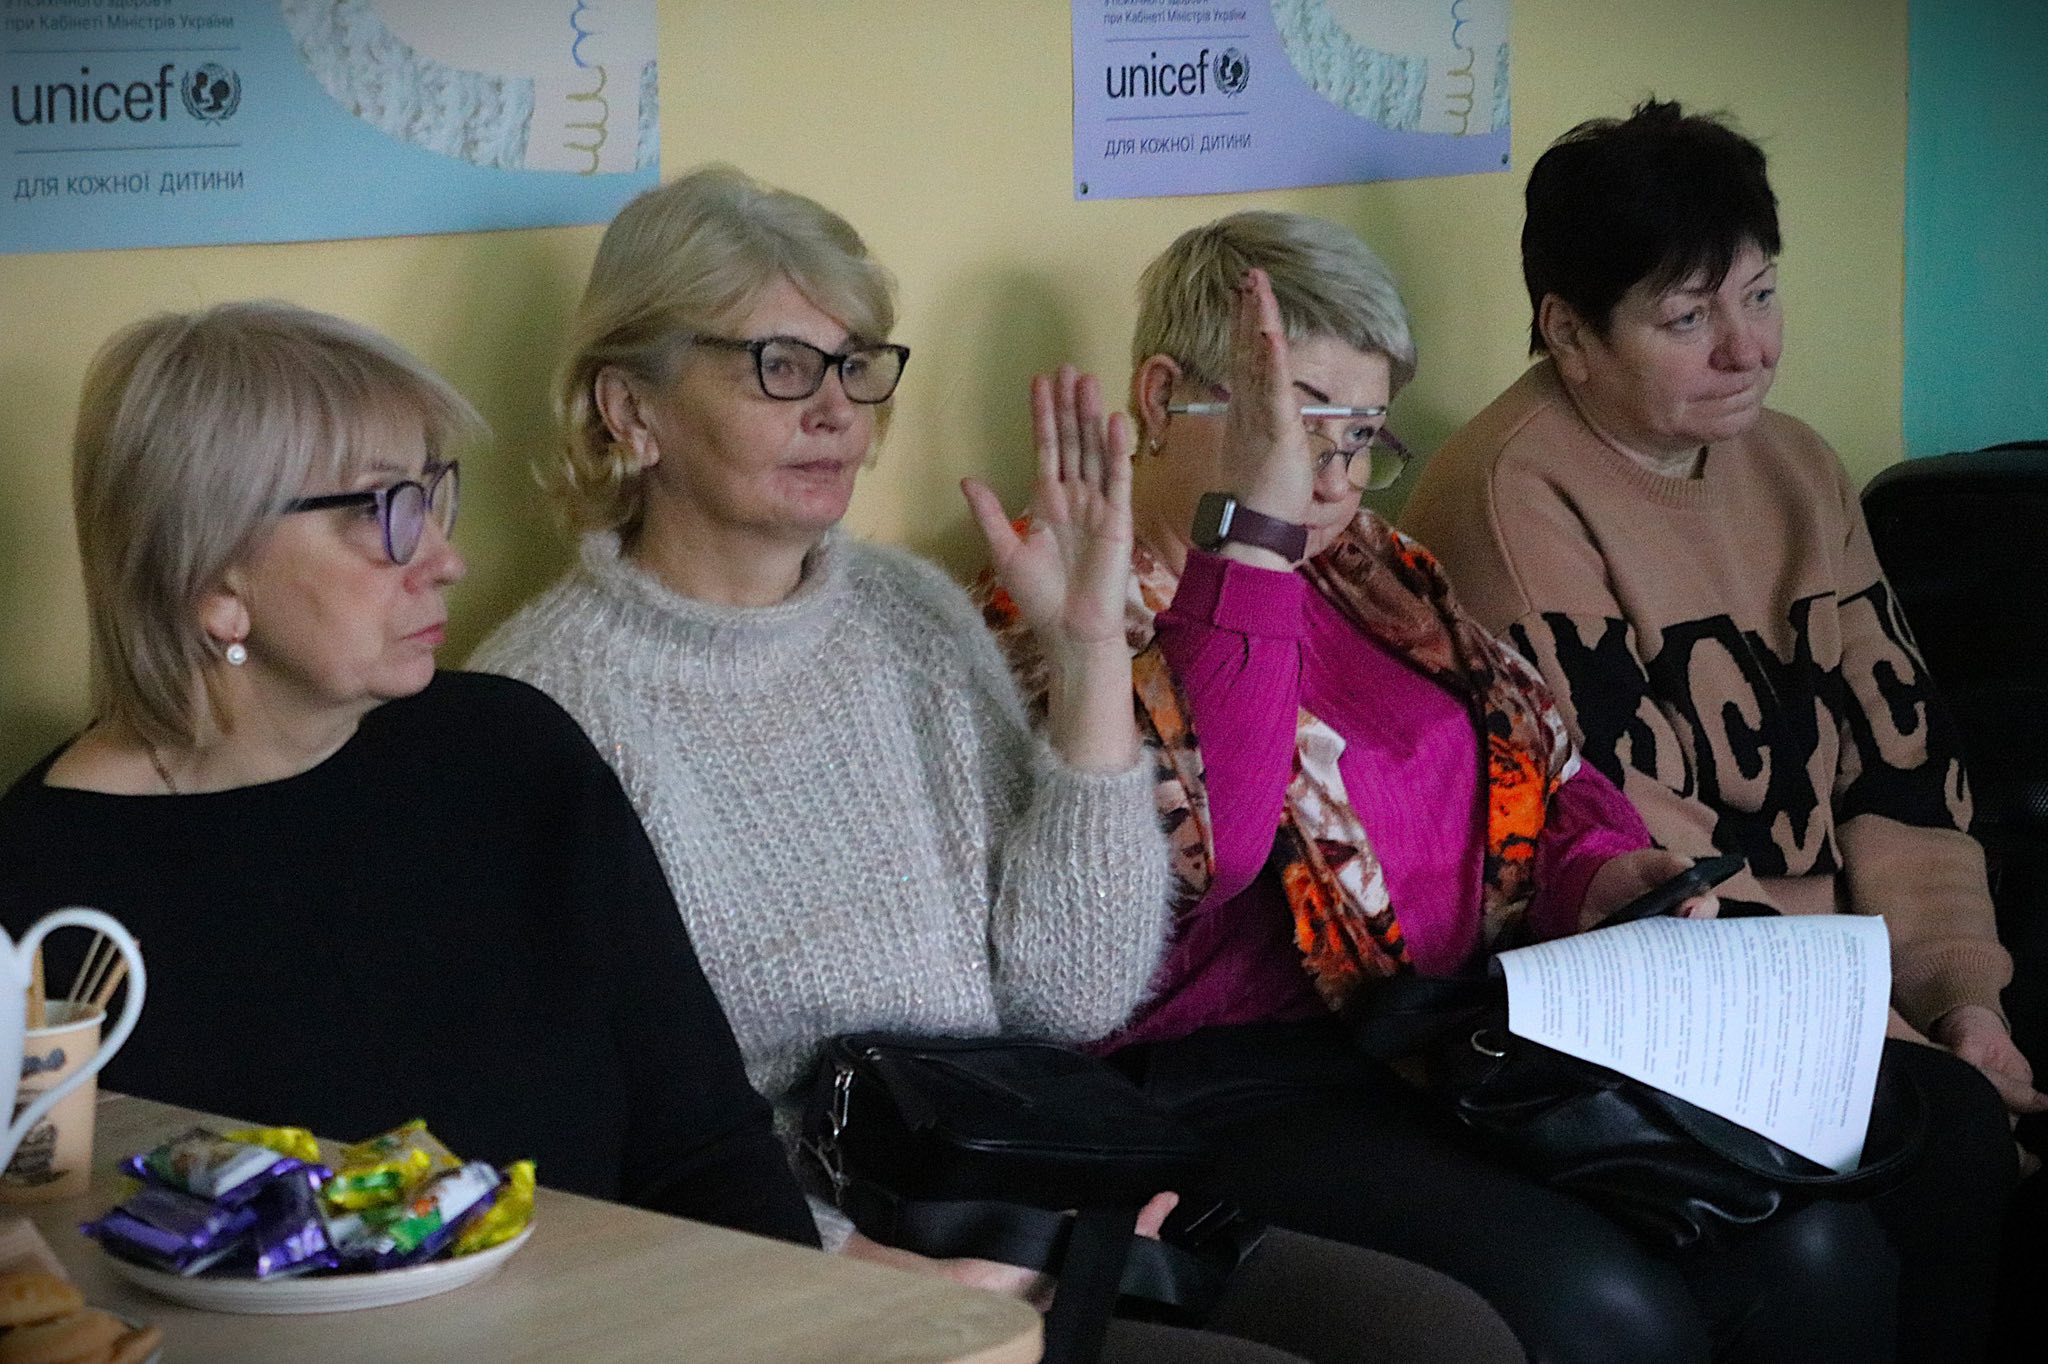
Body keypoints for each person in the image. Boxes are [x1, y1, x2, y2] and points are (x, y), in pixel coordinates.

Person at [474, 164, 1525, 1364]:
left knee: (1443, 1334)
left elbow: (1067, 996)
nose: (837, 410)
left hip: (1014, 1185)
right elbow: (591, 1131)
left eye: (856, 364)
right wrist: (868, 1265)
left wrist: (1087, 663)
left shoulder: (910, 613)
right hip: (793, 1261)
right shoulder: (540, 708)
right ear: (629, 407)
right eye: (780, 365)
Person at [974, 210, 1938, 1364]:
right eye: (1296, 426)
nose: (1332, 479)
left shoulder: (1371, 572)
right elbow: (1205, 849)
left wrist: (1598, 876)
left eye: (1360, 435)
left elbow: (1540, 771)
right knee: (1600, 1305)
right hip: (1217, 1080)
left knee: (1816, 1244)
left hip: (1456, 1035)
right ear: (1163, 393)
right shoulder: (1062, 599)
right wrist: (1250, 546)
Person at [1400, 101, 2028, 1360]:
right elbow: (1638, 846)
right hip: (1686, 978)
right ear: (1567, 332)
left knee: (1974, 1096)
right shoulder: (1509, 494)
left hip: (1848, 966)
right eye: (1686, 319)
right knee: (1952, 1139)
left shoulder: (1794, 463)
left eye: (1759, 294)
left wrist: (1964, 993)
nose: (1745, 349)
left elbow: (1897, 760)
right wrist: (1900, 1043)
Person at [0, 301, 815, 1246]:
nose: (446, 559)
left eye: (431, 495)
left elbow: (709, 1149)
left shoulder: (512, 755)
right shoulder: (42, 906)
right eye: (380, 511)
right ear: (213, 580)